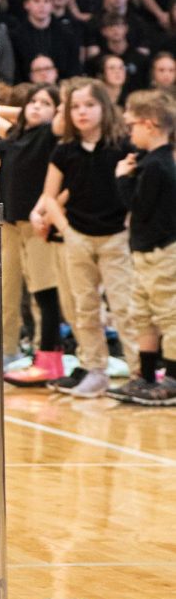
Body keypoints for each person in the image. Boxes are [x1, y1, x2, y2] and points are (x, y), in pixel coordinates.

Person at [32, 78, 137, 397]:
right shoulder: (64, 150)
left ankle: (139, 372)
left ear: (104, 108)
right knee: (84, 308)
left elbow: (139, 187)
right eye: (75, 106)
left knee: (124, 306)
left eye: (89, 105)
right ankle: (95, 370)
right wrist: (66, 231)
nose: (82, 112)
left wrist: (131, 224)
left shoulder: (123, 145)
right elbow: (49, 197)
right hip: (78, 236)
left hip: (116, 237)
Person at [108, 91, 176, 405]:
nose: (129, 132)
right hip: (145, 252)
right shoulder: (150, 163)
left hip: (163, 253)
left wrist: (123, 178)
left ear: (149, 126)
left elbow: (138, 205)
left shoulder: (159, 165)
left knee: (170, 315)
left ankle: (171, 381)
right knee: (143, 314)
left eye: (132, 125)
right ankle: (146, 377)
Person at [0, 84, 65, 382]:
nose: (36, 107)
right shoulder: (14, 135)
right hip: (11, 223)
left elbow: (64, 118)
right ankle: (7, 351)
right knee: (7, 290)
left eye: (45, 103)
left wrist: (46, 112)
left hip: (37, 225)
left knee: (43, 289)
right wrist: (26, 111)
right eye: (33, 101)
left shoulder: (51, 136)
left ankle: (44, 354)